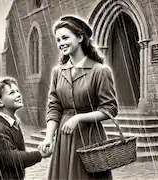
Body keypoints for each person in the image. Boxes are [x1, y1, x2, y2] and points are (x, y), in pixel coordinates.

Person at [38, 16, 118, 180]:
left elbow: (110, 109)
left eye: (65, 37)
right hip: (64, 139)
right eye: (58, 39)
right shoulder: (57, 72)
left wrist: (79, 118)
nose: (61, 43)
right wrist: (48, 138)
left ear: (80, 37)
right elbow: (54, 107)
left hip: (89, 138)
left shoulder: (100, 71)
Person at [0, 77, 50, 180]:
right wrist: (39, 154)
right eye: (12, 93)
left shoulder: (12, 123)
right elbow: (13, 159)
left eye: (17, 91)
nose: (18, 95)